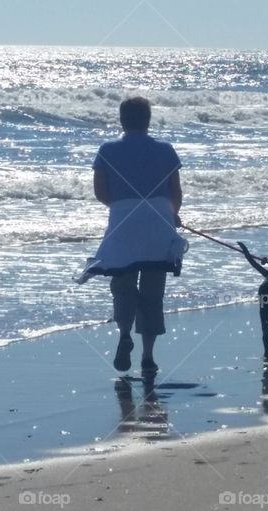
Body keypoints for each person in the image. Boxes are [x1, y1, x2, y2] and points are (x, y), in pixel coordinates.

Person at [91, 97, 185, 374]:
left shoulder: (107, 149)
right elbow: (175, 192)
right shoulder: (166, 150)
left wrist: (123, 208)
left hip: (124, 222)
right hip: (158, 221)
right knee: (153, 291)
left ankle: (123, 335)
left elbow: (100, 192)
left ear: (122, 120)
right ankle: (147, 356)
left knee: (123, 284)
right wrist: (170, 214)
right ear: (148, 119)